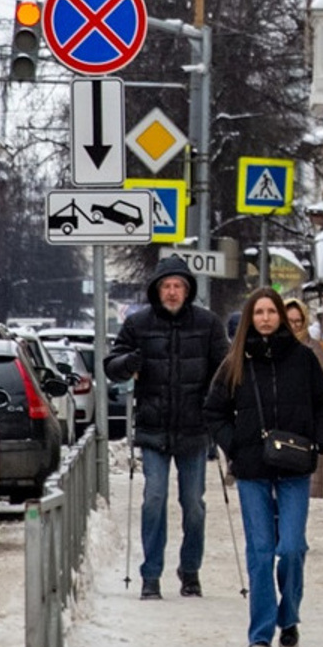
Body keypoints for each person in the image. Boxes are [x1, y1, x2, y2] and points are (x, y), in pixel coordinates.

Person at [204, 286, 323, 647]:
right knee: (260, 551)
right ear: (249, 318)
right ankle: (260, 631)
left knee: (292, 547)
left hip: (294, 465)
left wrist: (318, 441)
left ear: (281, 316)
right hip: (252, 470)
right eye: (258, 312)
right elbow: (213, 411)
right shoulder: (235, 362)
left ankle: (289, 617)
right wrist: (236, 445)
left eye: (271, 312)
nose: (265, 318)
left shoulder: (303, 359)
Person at [105, 252, 229, 600]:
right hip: (154, 427)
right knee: (153, 500)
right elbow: (110, 365)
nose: (172, 292)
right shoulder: (138, 323)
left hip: (194, 429)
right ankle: (151, 574)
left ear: (187, 291)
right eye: (166, 286)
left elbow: (225, 370)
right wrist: (128, 362)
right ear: (156, 291)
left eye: (178, 286)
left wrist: (215, 407)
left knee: (194, 504)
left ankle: (190, 570)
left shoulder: (208, 324)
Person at [282, 296, 323, 498]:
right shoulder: (270, 345)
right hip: (276, 422)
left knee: (297, 483)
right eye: (289, 321)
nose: (294, 326)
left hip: (303, 424)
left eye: (298, 321)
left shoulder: (314, 349)